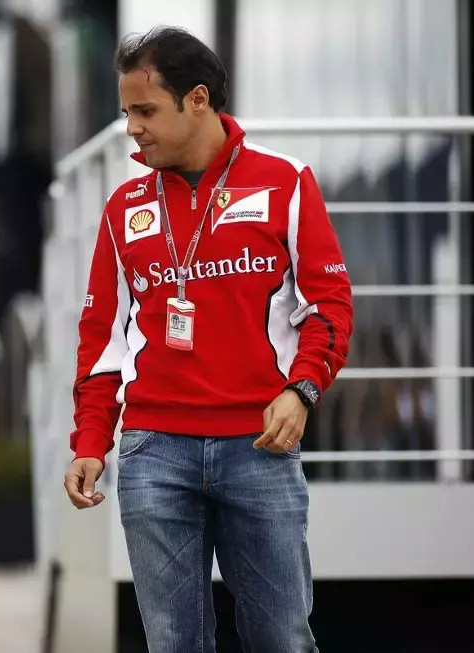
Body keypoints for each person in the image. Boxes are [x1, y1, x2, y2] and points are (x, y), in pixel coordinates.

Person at [63, 27, 354, 653]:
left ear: (197, 100)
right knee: (173, 644)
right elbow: (101, 337)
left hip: (260, 446)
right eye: (126, 112)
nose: (133, 127)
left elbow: (328, 304)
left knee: (282, 639)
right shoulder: (124, 206)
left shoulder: (285, 180)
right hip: (152, 451)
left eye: (145, 110)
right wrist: (90, 439)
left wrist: (302, 391)